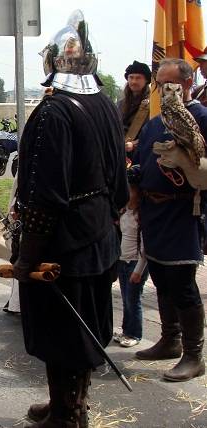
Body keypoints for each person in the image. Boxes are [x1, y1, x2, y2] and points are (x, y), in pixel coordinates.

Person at [11, 11, 128, 427]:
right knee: (83, 329)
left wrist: (28, 256)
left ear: (52, 62)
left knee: (64, 333)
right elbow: (119, 186)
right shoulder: (105, 104)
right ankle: (65, 401)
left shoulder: (53, 112)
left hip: (65, 246)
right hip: (99, 235)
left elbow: (43, 196)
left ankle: (69, 413)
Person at [134, 58, 207, 382]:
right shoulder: (155, 122)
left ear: (187, 83)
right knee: (162, 279)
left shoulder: (201, 117)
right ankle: (170, 340)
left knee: (182, 283)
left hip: (182, 212)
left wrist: (190, 165)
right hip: (153, 212)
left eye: (168, 83)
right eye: (159, 83)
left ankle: (193, 355)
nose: (162, 89)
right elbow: (140, 160)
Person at [113, 166, 149, 348]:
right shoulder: (124, 212)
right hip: (123, 260)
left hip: (135, 262)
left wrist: (138, 270)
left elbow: (145, 247)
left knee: (133, 300)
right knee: (126, 298)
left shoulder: (141, 216)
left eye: (130, 190)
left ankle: (135, 333)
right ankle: (126, 329)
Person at [117, 61, 151, 163]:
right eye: (131, 77)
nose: (134, 81)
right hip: (120, 153)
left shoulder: (152, 105)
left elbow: (152, 133)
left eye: (138, 78)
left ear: (146, 80)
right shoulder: (120, 104)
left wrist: (134, 144)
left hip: (141, 156)